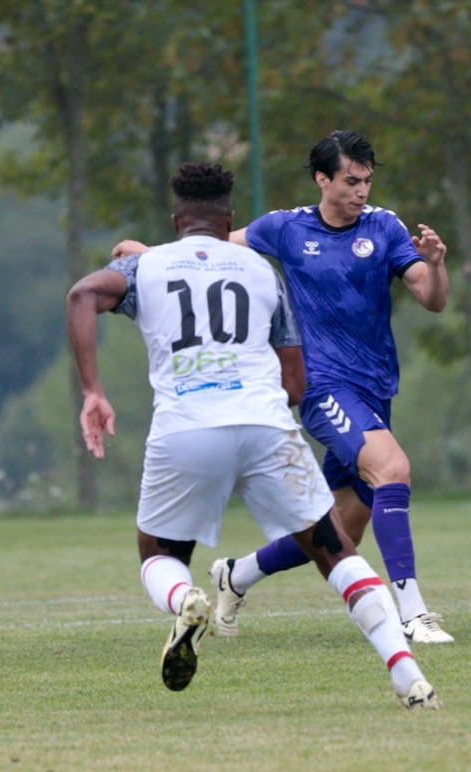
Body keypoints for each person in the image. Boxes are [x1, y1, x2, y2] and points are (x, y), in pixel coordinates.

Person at [69, 162, 441, 708]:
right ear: (230, 219)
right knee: (336, 548)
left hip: (186, 428)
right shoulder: (262, 272)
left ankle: (185, 599)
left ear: (176, 219)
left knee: (157, 552)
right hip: (267, 424)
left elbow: (82, 295)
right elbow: (295, 381)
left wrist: (94, 391)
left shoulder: (145, 266)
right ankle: (405, 670)